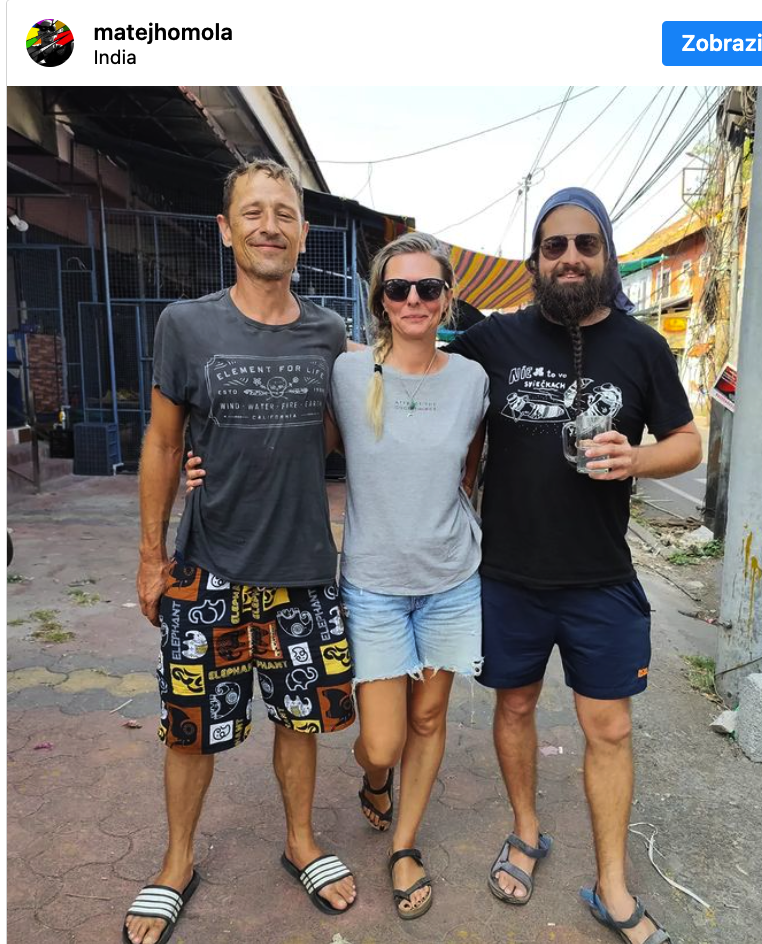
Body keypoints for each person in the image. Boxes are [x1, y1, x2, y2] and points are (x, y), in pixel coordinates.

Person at [187, 232, 489, 921]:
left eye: (428, 288)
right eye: (398, 288)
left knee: (430, 716)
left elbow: (470, 466)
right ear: (380, 300)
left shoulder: (472, 379)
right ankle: (376, 781)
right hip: (374, 585)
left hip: (451, 579)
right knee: (381, 742)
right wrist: (203, 460)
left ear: (446, 298)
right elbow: (289, 433)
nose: (413, 300)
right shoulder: (349, 373)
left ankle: (404, 846)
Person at [445, 187, 701, 944]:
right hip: (509, 575)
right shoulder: (495, 340)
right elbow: (420, 371)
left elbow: (688, 442)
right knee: (515, 707)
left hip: (601, 578)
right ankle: (527, 831)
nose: (570, 258)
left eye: (586, 244)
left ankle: (611, 884)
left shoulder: (642, 346)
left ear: (606, 256)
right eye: (554, 245)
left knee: (609, 728)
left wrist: (638, 458)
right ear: (536, 259)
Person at [129, 160, 357, 944]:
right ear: (226, 230)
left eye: (284, 213)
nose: (270, 225)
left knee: (301, 720)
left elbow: (351, 431)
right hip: (208, 568)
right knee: (189, 726)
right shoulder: (185, 326)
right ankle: (175, 862)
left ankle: (301, 842)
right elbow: (163, 444)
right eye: (253, 212)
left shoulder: (330, 334)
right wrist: (151, 557)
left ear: (303, 233)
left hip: (303, 569)